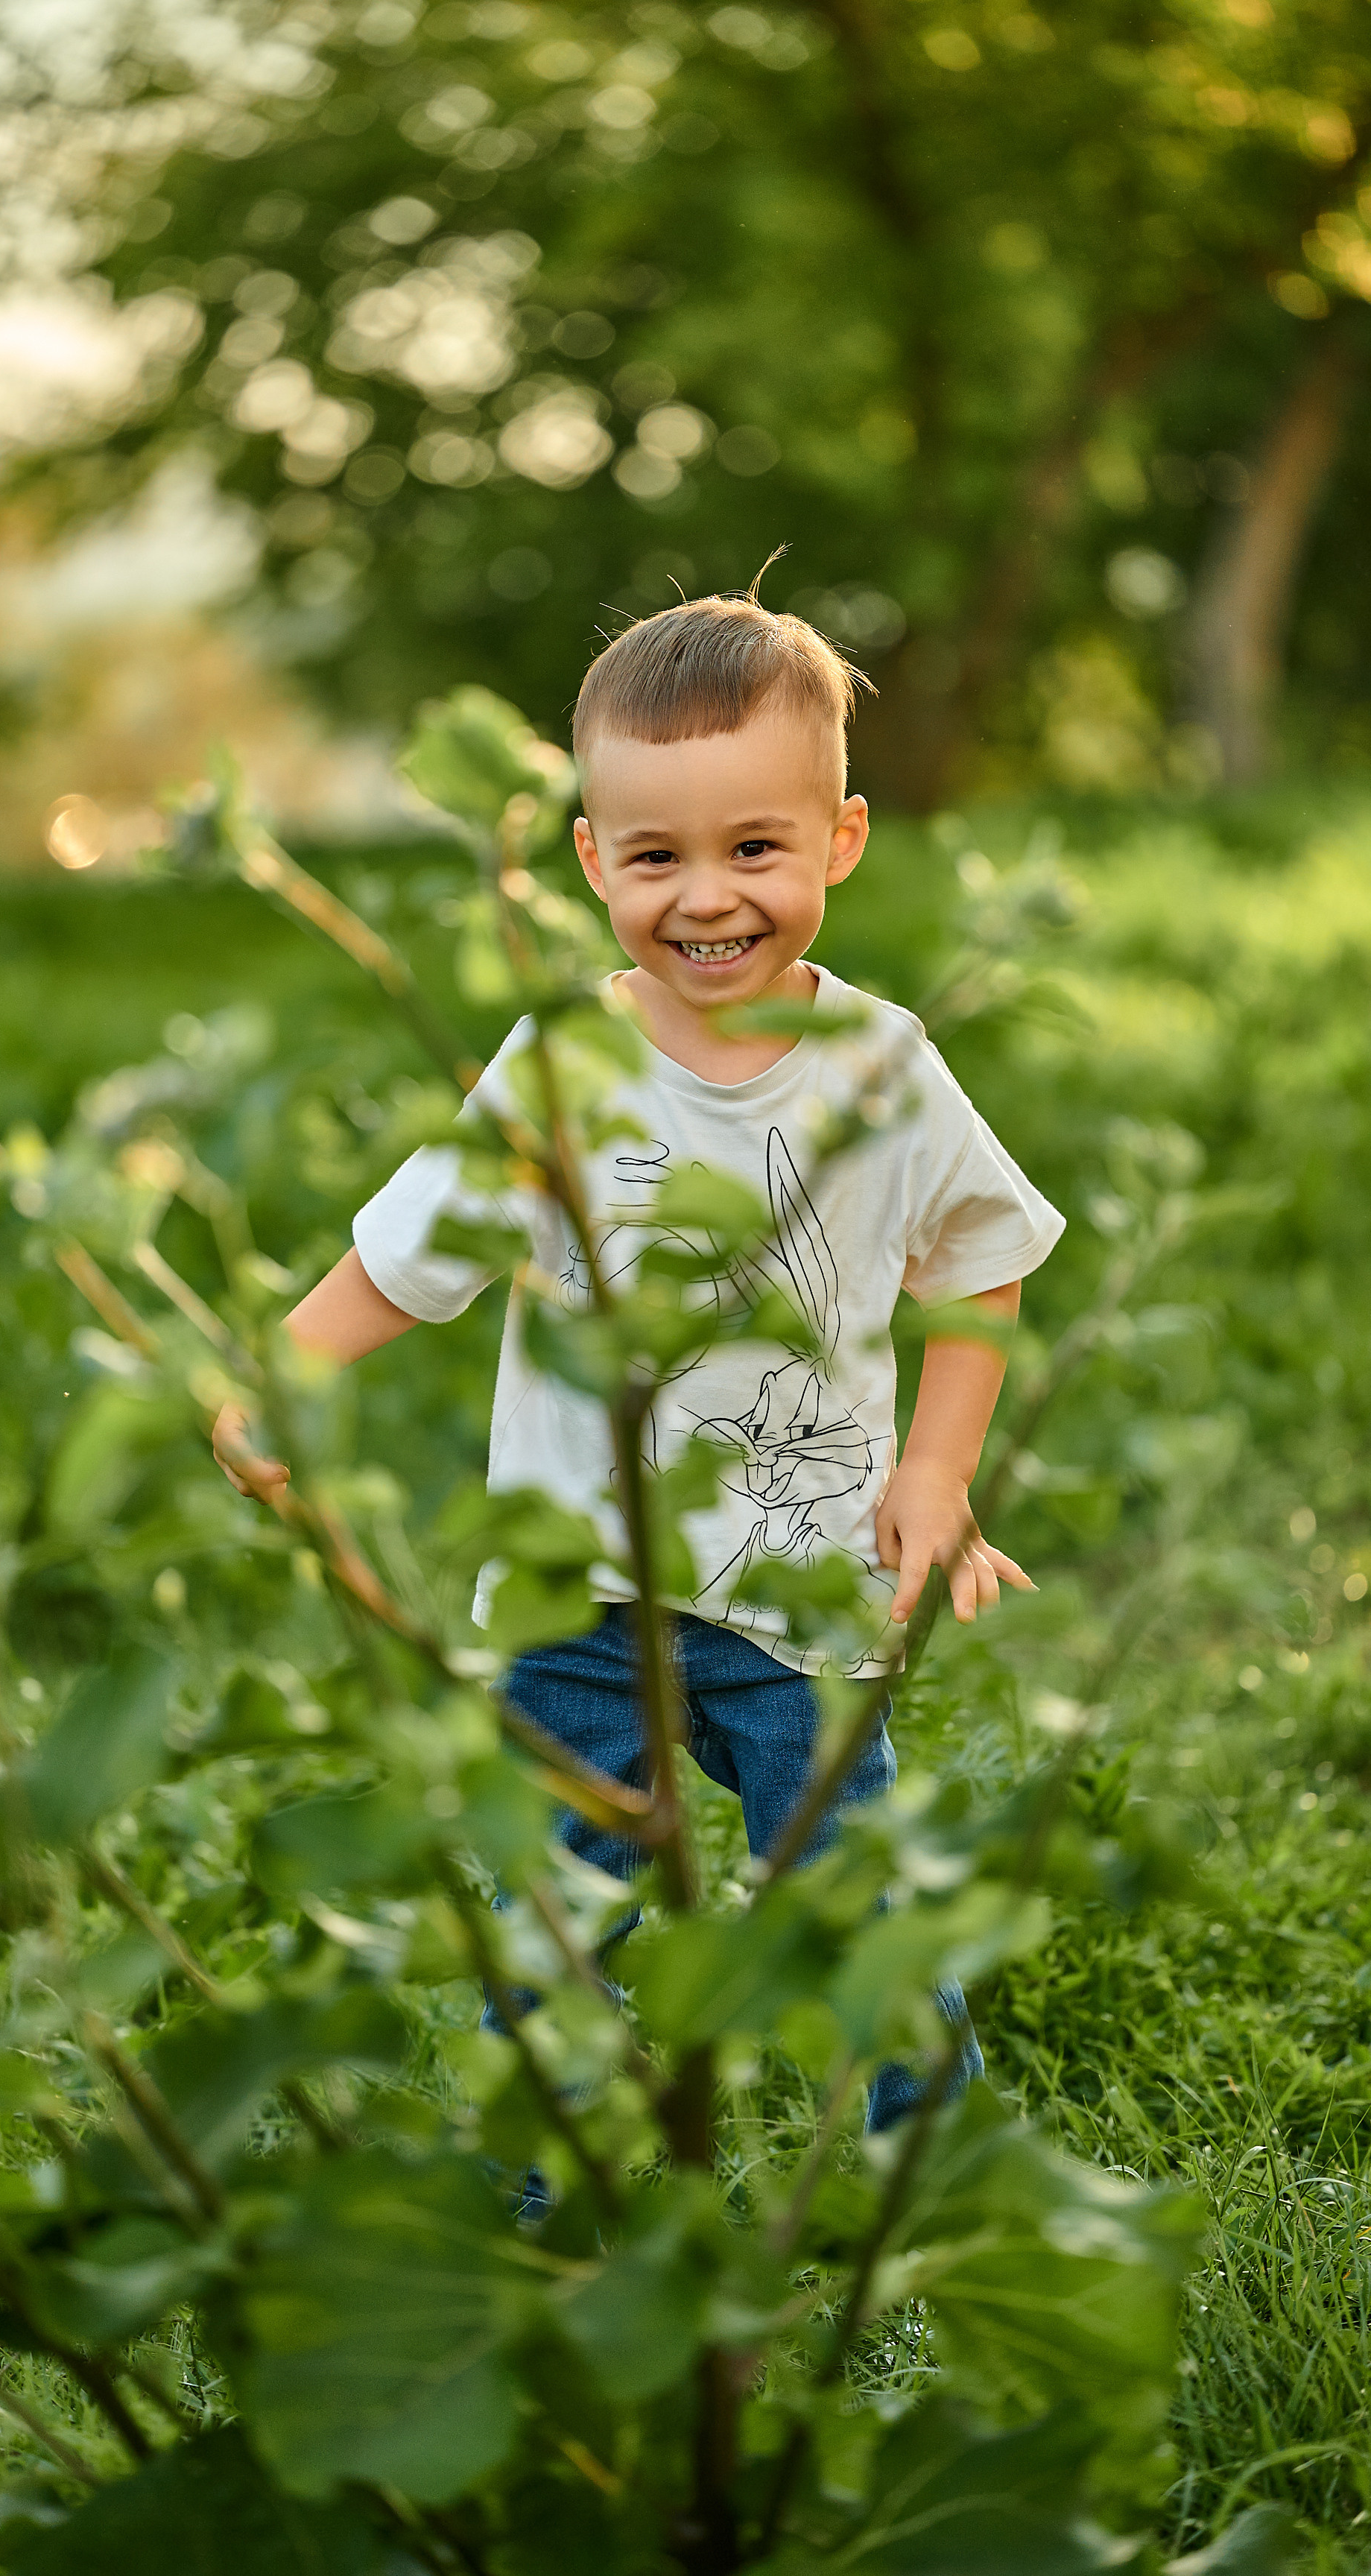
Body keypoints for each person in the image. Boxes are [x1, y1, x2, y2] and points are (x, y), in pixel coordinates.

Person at [213, 586, 1064, 2130]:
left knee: (851, 1895)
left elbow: (976, 1259)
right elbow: (412, 1253)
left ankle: (924, 2177)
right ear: (592, 858)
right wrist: (285, 1376)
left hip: (801, 1579)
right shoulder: (559, 1068)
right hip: (579, 1588)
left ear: (841, 840)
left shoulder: (883, 1064)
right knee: (556, 1922)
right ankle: (558, 2195)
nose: (707, 897)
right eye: (656, 856)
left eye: (754, 847)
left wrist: (938, 1470)